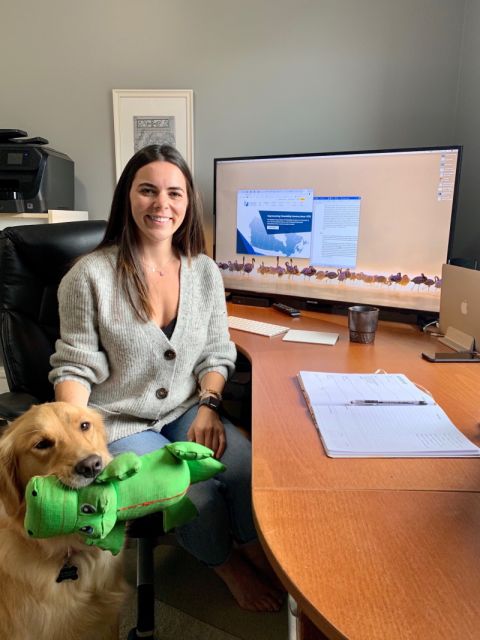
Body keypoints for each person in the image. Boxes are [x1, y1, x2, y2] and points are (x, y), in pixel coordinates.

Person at [49, 144, 283, 612]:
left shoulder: (205, 273)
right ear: (128, 198)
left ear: (188, 202)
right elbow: (74, 367)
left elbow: (218, 350)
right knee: (195, 488)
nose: (162, 204)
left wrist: (210, 406)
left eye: (174, 192)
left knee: (246, 467)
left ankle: (253, 546)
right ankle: (226, 565)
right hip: (120, 422)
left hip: (185, 408)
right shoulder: (88, 276)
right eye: (148, 190)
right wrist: (79, 438)